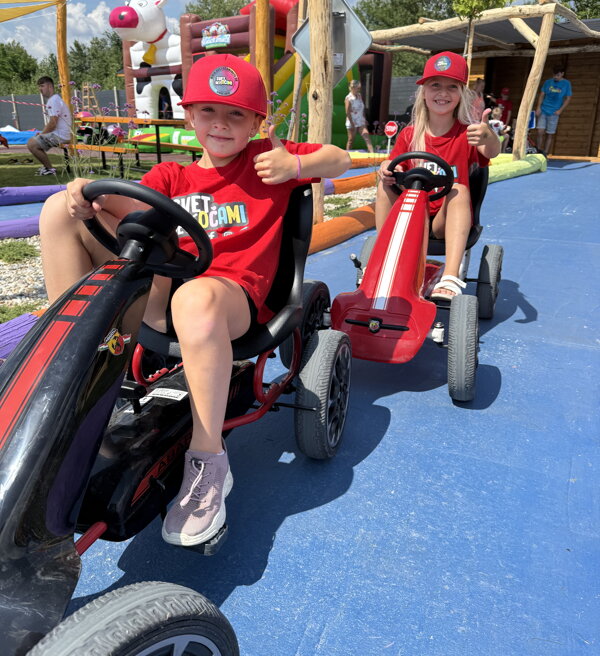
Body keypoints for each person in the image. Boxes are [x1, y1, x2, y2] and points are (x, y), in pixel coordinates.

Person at [39, 53, 350, 548]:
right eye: (208, 111)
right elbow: (128, 207)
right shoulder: (171, 177)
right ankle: (71, 377)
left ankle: (208, 461)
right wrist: (82, 193)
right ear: (188, 115)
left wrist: (299, 163)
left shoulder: (268, 164)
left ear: (256, 122)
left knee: (197, 298)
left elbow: (340, 157)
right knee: (59, 209)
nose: (221, 125)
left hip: (234, 298)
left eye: (236, 115)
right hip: (169, 291)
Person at [376, 51, 501, 300]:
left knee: (459, 188)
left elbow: (491, 152)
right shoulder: (409, 135)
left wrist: (488, 136)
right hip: (413, 215)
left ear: (461, 94)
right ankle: (382, 260)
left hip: (445, 219)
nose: (443, 93)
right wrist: (388, 166)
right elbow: (395, 166)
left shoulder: (468, 134)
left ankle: (450, 276)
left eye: (451, 87)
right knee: (383, 183)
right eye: (435, 85)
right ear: (424, 91)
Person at [27, 76, 72, 175]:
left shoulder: (54, 101)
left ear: (50, 86)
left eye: (42, 86)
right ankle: (48, 168)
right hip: (61, 134)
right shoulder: (54, 99)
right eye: (39, 86)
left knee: (32, 144)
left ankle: (49, 169)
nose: (40, 89)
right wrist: (42, 134)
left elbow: (53, 123)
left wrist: (41, 135)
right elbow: (52, 123)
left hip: (61, 135)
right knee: (34, 141)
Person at [535, 65, 572, 156]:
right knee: (540, 131)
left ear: (562, 74)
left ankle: (545, 153)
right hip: (544, 109)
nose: (556, 77)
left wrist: (560, 110)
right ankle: (538, 151)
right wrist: (538, 107)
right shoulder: (548, 82)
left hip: (554, 112)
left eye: (558, 75)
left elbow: (568, 98)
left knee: (550, 133)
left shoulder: (566, 84)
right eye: (554, 75)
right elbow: (542, 94)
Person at [345, 80, 374, 153]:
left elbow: (362, 108)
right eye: (358, 88)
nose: (359, 89)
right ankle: (347, 153)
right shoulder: (348, 98)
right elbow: (347, 112)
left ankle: (372, 153)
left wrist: (364, 118)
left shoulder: (359, 96)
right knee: (351, 140)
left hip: (360, 120)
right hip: (352, 121)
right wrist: (352, 123)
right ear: (353, 88)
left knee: (366, 136)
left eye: (359, 88)